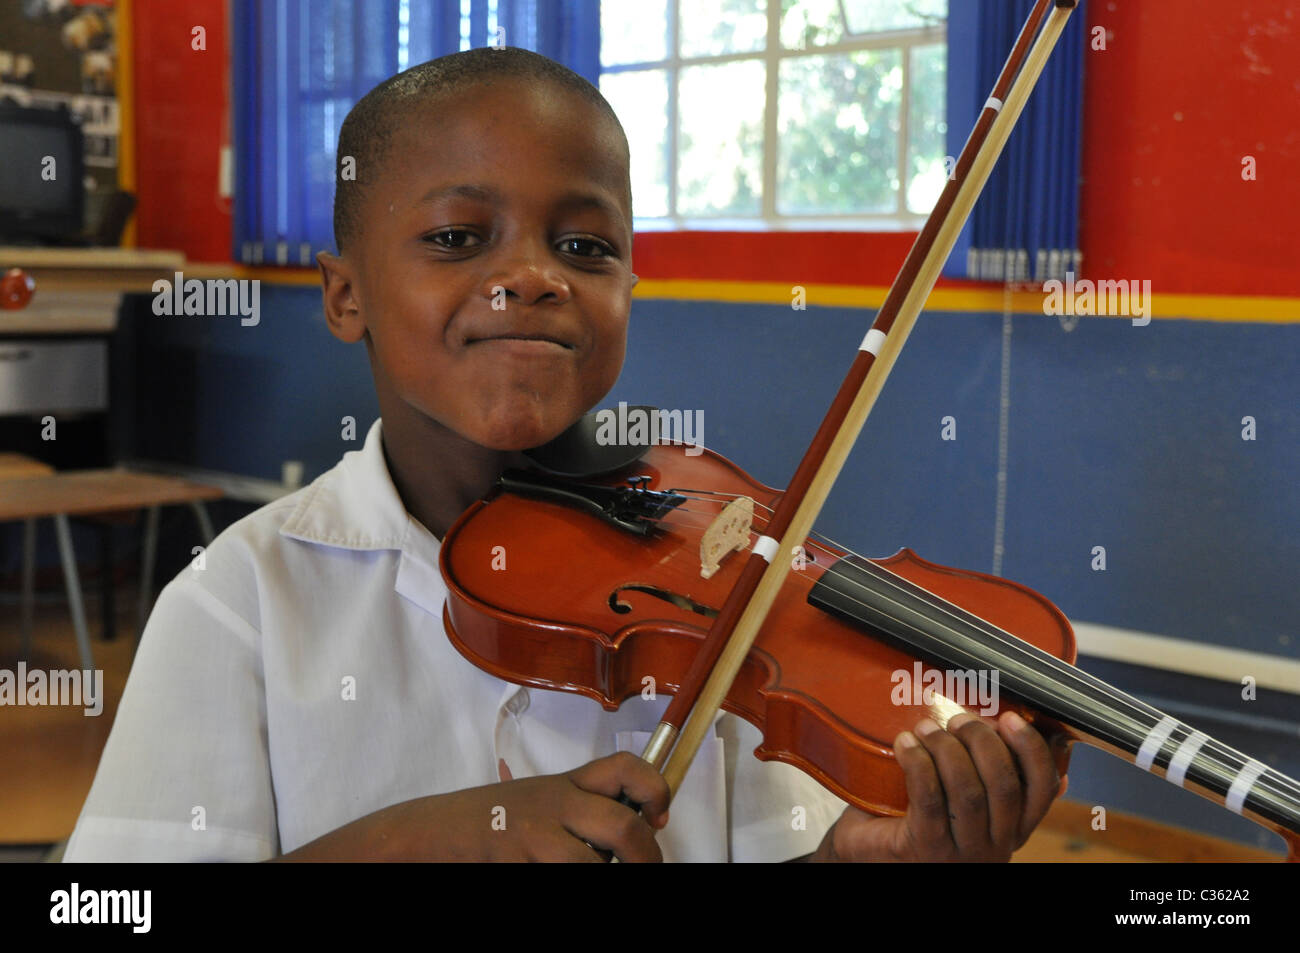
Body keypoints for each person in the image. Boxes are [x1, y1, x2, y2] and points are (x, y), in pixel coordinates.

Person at [64, 47, 1061, 863]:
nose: (532, 276)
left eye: (586, 248)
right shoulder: (240, 599)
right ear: (344, 294)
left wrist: (854, 861)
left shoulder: (722, 584)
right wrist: (417, 841)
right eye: (458, 235)